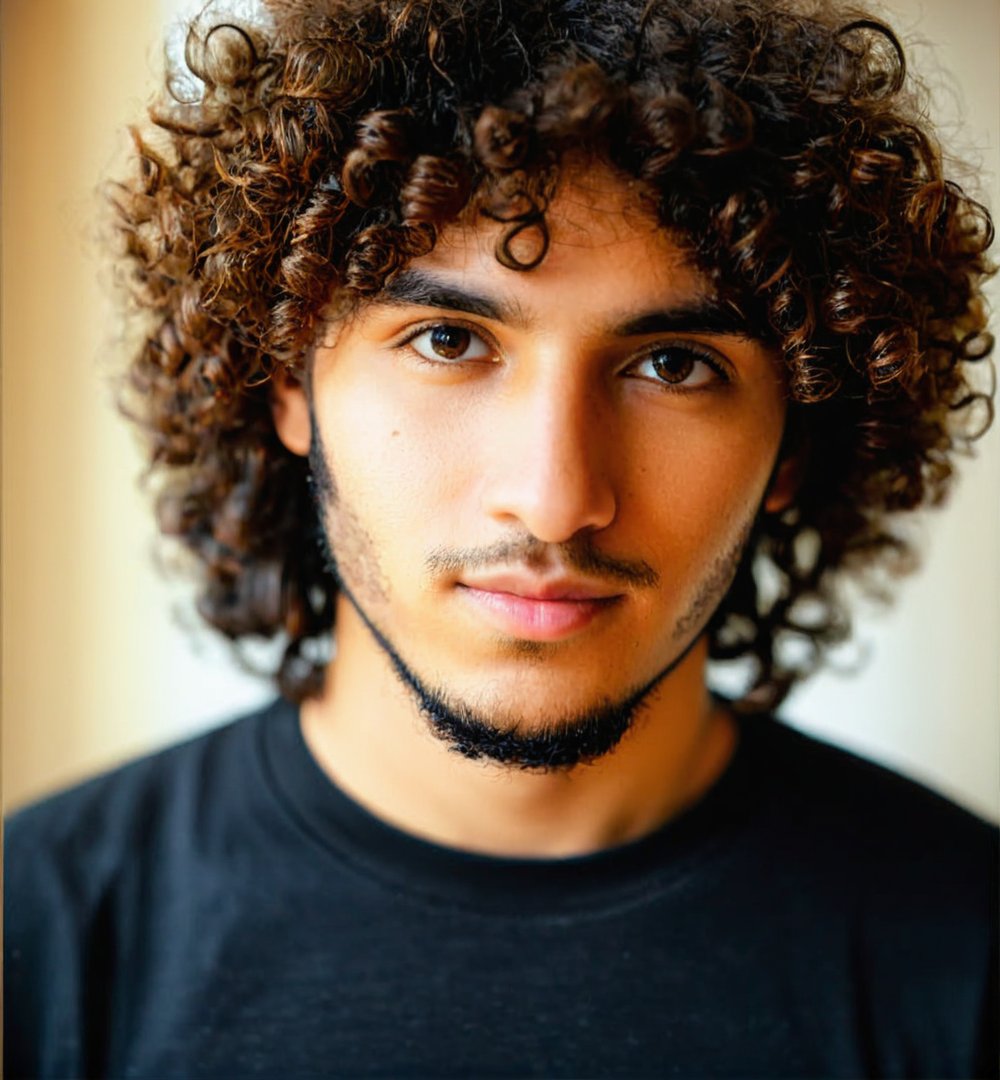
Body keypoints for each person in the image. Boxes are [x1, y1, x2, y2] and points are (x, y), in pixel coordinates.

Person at [5, 0, 997, 1076]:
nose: (553, 498)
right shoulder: (40, 938)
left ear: (796, 443)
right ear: (289, 382)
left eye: (673, 365)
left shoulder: (964, 949)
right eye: (447, 340)